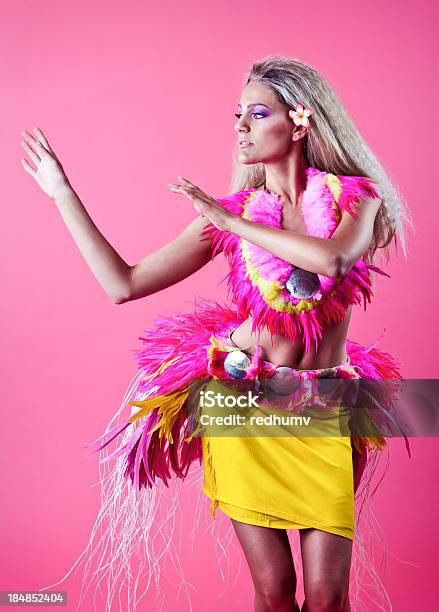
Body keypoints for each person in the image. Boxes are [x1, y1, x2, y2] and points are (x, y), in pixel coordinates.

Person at [21, 56, 412, 612]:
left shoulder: (356, 197)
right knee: (275, 592)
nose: (241, 127)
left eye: (258, 113)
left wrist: (229, 223)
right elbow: (122, 283)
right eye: (238, 115)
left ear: (301, 122)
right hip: (244, 410)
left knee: (327, 598)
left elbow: (335, 259)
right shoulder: (228, 214)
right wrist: (62, 193)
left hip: (325, 406)